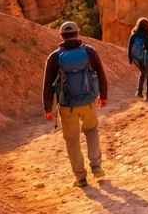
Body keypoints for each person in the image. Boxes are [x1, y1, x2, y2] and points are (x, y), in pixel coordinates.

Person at [42, 21, 108, 187]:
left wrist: (48, 108)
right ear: (78, 33)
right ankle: (96, 167)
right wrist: (103, 96)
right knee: (91, 131)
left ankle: (80, 177)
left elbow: (47, 84)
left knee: (72, 140)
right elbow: (100, 73)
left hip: (67, 105)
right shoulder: (89, 51)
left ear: (61, 36)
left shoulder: (55, 57)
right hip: (88, 101)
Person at [127, 17, 148, 100]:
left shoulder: (134, 35)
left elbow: (129, 47)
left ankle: (139, 92)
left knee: (143, 73)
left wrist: (130, 58)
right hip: (147, 58)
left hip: (136, 59)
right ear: (147, 26)